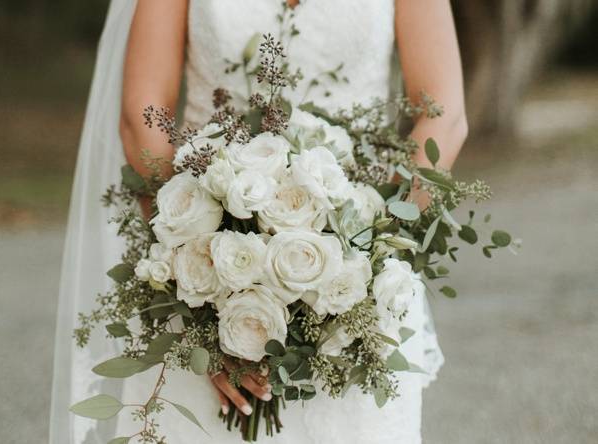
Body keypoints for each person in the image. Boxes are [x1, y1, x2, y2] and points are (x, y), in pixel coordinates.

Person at [50, 1, 467, 443]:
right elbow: (142, 120)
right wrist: (200, 293)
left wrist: (366, 256)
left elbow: (444, 117)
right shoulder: (198, 280)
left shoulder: (360, 271)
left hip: (354, 291)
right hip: (202, 267)